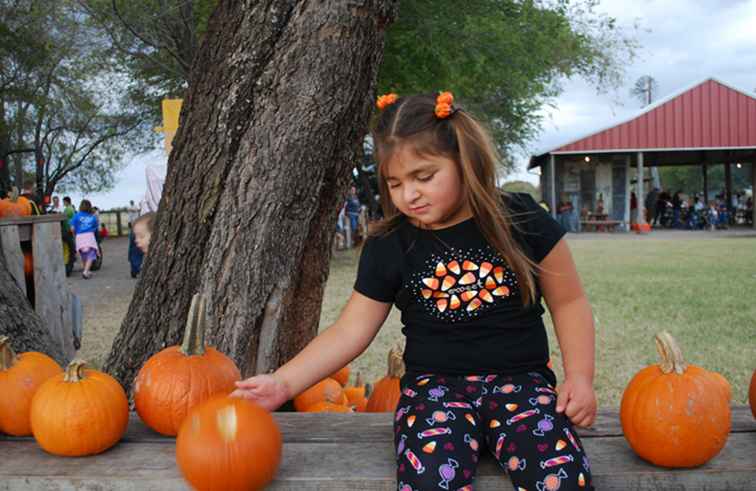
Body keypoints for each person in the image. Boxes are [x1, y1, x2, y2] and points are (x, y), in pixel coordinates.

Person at [231, 92, 596, 490]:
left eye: (424, 177)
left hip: (523, 384)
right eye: (395, 183)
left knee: (561, 479)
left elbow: (569, 303)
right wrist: (282, 384)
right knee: (429, 481)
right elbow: (350, 331)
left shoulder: (523, 220)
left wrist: (580, 377)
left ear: (465, 161)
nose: (409, 195)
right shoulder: (390, 243)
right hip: (434, 391)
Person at [70, 199, 99, 279]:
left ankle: (85, 270)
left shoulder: (76, 216)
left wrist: (75, 234)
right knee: (91, 254)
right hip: (89, 236)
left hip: (79, 236)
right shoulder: (92, 217)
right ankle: (86, 271)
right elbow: (95, 228)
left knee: (83, 254)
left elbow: (72, 228)